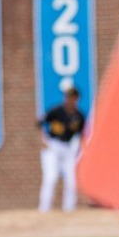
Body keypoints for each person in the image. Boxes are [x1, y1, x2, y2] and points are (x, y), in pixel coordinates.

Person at [38, 80, 86, 213]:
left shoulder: (79, 116)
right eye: (68, 96)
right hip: (53, 147)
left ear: (77, 98)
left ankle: (69, 211)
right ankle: (44, 210)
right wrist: (43, 140)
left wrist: (82, 150)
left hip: (68, 149)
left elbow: (81, 135)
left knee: (71, 181)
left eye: (73, 97)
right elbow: (40, 123)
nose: (70, 100)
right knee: (51, 178)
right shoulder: (56, 111)